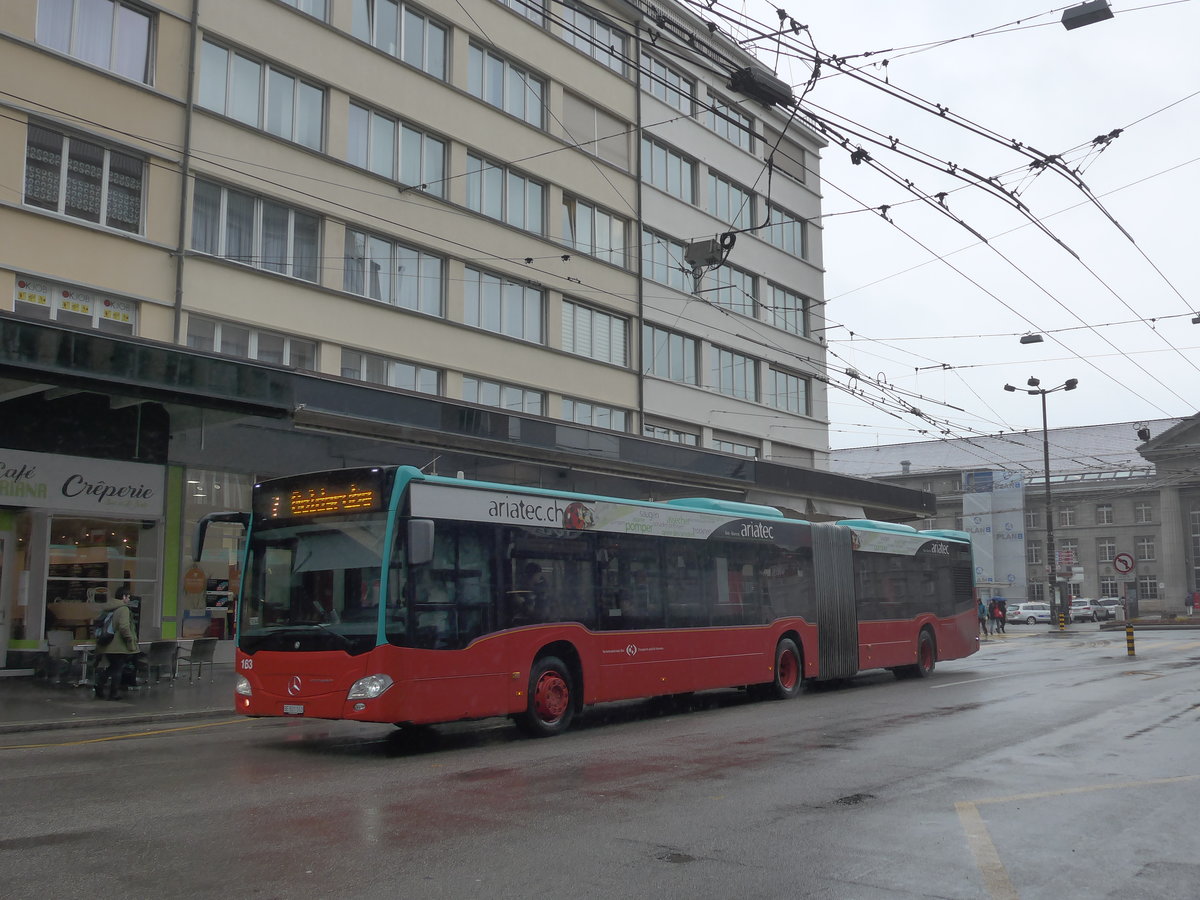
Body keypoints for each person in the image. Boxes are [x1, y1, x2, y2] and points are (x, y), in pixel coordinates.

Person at [93, 587, 139, 700]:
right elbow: (124, 627)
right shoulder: (123, 609)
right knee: (117, 669)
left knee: (113, 667)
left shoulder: (108, 608)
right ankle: (113, 693)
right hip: (118, 645)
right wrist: (129, 639)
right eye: (128, 597)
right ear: (123, 597)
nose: (129, 599)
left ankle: (99, 686)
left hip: (106, 643)